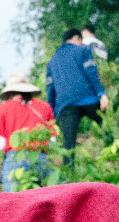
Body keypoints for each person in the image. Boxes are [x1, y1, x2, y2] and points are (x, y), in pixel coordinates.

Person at [44, 31, 108, 171]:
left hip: (65, 105)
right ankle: (112, 156)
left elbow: (50, 89)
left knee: (68, 145)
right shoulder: (83, 50)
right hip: (89, 98)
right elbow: (91, 72)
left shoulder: (52, 62)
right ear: (77, 38)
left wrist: (52, 114)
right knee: (106, 127)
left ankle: (69, 177)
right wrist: (101, 93)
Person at [0, 77, 56, 191]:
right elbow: (53, 140)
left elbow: (0, 144)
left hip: (15, 157)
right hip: (41, 157)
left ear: (9, 93)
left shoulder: (2, 109)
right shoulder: (45, 106)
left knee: (12, 202)